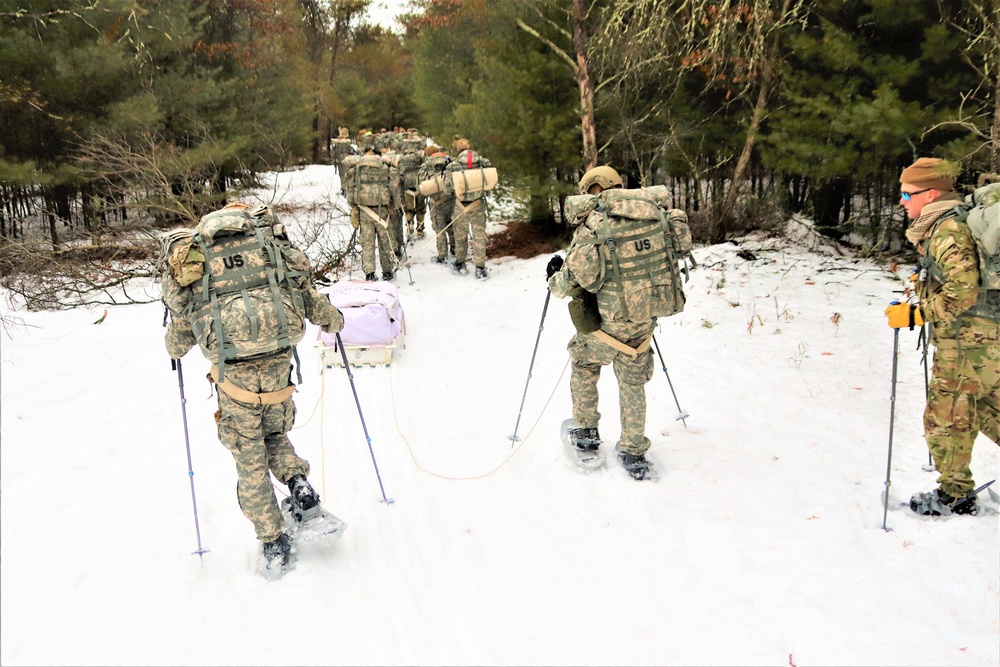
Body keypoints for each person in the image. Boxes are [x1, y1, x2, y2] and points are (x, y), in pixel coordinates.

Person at [159, 202, 345, 572]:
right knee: (274, 434)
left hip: (234, 379)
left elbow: (179, 341)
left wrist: (173, 345)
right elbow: (308, 297)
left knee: (249, 457)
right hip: (278, 368)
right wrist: (334, 322)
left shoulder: (196, 260)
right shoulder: (266, 248)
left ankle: (274, 542)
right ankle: (297, 482)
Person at [546, 166, 686, 480]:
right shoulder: (655, 216)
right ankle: (634, 450)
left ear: (591, 188)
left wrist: (554, 276)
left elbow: (567, 284)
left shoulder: (595, 227)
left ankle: (586, 434)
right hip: (644, 322)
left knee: (583, 363)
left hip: (606, 327)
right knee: (633, 383)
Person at [889, 158, 1000, 516]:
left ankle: (956, 495)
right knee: (986, 409)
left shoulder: (947, 230)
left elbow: (963, 290)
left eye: (907, 193)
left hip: (967, 343)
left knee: (945, 418)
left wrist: (919, 313)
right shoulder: (949, 224)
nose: (902, 201)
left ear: (931, 193)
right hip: (985, 340)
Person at [445, 138, 493, 278]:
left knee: (460, 236)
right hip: (478, 204)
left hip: (461, 205)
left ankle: (460, 263)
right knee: (479, 236)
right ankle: (480, 268)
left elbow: (448, 189)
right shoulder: (482, 162)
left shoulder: (453, 166)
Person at [419, 145, 455, 263]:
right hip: (450, 199)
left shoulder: (427, 165)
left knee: (440, 229)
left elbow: (420, 183)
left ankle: (443, 255)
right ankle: (455, 249)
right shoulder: (450, 161)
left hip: (436, 202)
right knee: (452, 225)